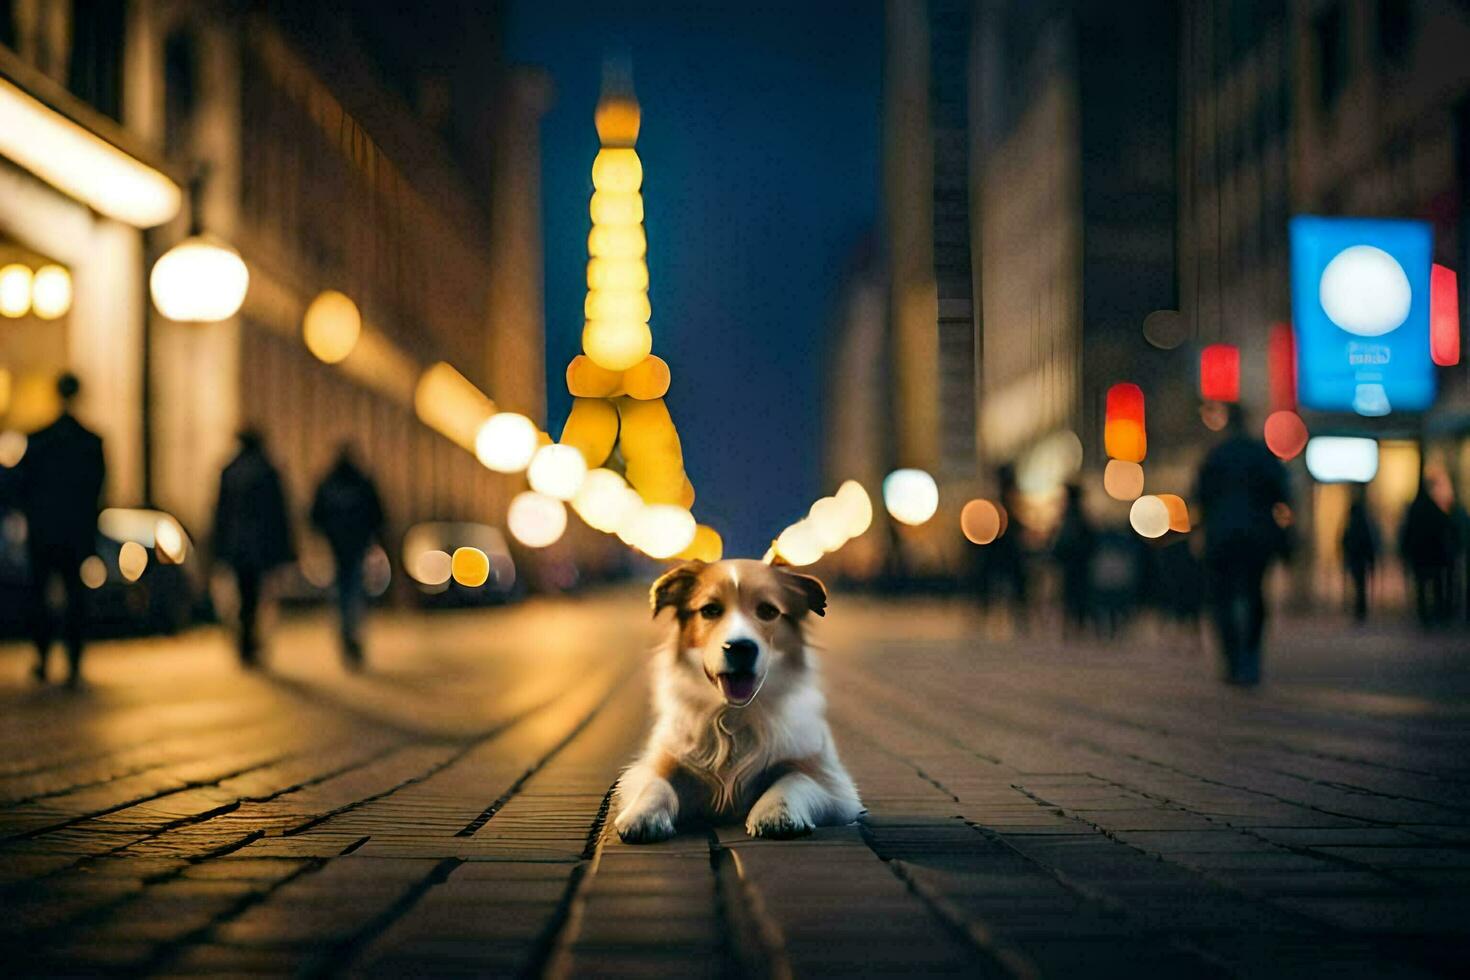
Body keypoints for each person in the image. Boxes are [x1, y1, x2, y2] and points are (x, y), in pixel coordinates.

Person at [15, 373, 105, 687]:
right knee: (75, 596)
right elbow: (97, 491)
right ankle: (73, 661)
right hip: (75, 532)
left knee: (39, 596)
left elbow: (20, 488)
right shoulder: (90, 442)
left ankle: (42, 658)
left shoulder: (39, 440)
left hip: (43, 531)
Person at [1193, 403, 1290, 686]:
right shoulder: (1260, 454)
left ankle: (1232, 658)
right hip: (1256, 537)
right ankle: (1251, 657)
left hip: (1221, 537)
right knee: (1255, 593)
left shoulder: (1216, 456)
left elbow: (1200, 497)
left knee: (1221, 599)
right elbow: (1281, 493)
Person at [213, 429, 293, 665]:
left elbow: (220, 514)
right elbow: (279, 514)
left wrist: (219, 546)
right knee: (258, 596)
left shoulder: (230, 472)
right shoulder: (267, 471)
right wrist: (285, 547)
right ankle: (252, 640)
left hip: (237, 546)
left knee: (244, 594)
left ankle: (246, 641)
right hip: (262, 546)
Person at [310, 445, 385, 667]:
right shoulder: (362, 482)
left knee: (342, 589)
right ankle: (353, 632)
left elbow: (316, 514)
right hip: (357, 545)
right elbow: (377, 513)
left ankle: (346, 632)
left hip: (337, 546)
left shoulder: (328, 484)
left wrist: (323, 534)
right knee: (354, 587)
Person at [1399, 478, 1457, 628]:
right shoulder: (1433, 509)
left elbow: (1408, 533)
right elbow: (1445, 527)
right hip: (1434, 555)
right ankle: (1438, 612)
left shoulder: (1415, 510)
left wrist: (1405, 552)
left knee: (1421, 587)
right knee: (1436, 585)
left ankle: (1424, 615)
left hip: (1420, 555)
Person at [1052, 483, 1095, 635]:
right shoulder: (1077, 517)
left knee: (1074, 597)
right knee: (1075, 597)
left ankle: (1075, 626)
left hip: (1075, 566)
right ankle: (1075, 626)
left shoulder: (1072, 519)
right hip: (1077, 566)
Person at [1340, 486, 1378, 624]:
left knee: (1358, 586)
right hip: (1360, 560)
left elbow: (1344, 542)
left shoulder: (1350, 525)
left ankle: (1359, 610)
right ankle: (1360, 610)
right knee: (1360, 586)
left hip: (1355, 560)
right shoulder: (1364, 525)